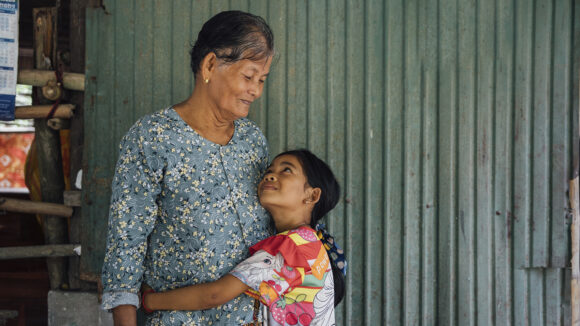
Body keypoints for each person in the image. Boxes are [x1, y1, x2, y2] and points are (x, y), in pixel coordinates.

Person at [101, 11, 275, 325]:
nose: (257, 91)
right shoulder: (151, 138)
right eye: (249, 77)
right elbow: (125, 248)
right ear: (210, 65)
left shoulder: (253, 140)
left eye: (262, 80)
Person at [141, 149, 347, 326]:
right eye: (269, 170)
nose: (271, 175)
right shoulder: (311, 243)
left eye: (286, 170)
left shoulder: (288, 248)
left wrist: (150, 301)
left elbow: (214, 294)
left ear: (311, 196)